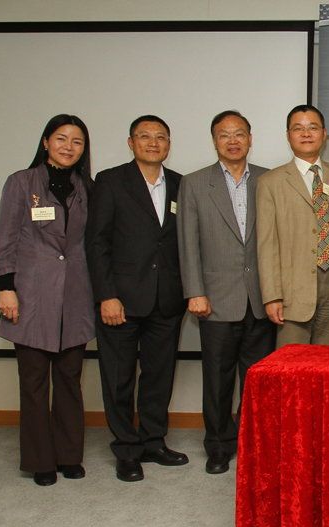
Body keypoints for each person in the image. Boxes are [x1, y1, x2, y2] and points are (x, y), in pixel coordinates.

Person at [0, 114, 95, 486]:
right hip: (31, 295)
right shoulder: (22, 182)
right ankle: (40, 460)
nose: (69, 147)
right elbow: (5, 238)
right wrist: (6, 287)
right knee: (34, 382)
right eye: (62, 138)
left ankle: (69, 455)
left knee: (69, 378)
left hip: (75, 295)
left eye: (77, 141)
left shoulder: (87, 187)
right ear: (47, 141)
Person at [86, 115, 187, 482]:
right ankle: (126, 449)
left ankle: (153, 441)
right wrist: (106, 295)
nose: (153, 142)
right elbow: (96, 243)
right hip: (122, 301)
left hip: (167, 299)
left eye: (160, 137)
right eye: (145, 136)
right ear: (131, 142)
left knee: (159, 376)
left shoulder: (179, 184)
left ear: (169, 144)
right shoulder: (111, 181)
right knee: (119, 377)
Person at [177, 110, 275, 475]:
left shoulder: (268, 180)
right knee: (217, 379)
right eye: (224, 135)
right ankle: (218, 445)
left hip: (261, 298)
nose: (232, 141)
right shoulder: (194, 183)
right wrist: (195, 291)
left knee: (256, 381)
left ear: (251, 138)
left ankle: (252, 444)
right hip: (215, 299)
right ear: (214, 140)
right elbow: (188, 242)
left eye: (239, 134)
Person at [257, 105, 329, 346]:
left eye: (313, 128)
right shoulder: (271, 182)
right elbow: (266, 244)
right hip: (291, 294)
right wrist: (272, 296)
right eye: (298, 129)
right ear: (288, 135)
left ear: (324, 133)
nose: (306, 134)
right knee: (290, 371)